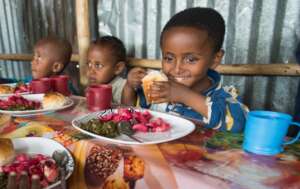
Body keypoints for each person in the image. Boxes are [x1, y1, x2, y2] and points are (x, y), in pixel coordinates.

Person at [126, 7, 248, 133]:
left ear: (215, 59)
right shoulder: (159, 88)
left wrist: (184, 95)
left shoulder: (224, 97)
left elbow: (237, 125)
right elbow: (130, 113)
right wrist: (129, 87)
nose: (177, 69)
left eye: (190, 59)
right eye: (169, 58)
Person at [86, 36, 128, 104]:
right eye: (89, 64)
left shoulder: (123, 87)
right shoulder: (93, 85)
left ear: (118, 68)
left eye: (98, 65)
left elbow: (128, 109)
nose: (91, 71)